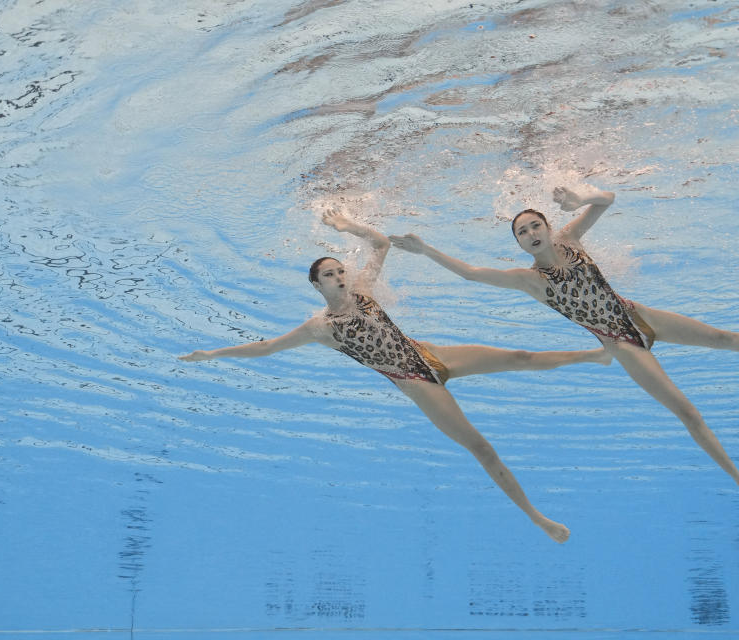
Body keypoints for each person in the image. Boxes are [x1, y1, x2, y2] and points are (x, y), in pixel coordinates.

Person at [390, 184, 739, 514]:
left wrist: (580, 197)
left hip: (638, 313)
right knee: (685, 410)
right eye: (522, 231)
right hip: (620, 342)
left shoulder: (571, 238)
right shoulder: (527, 280)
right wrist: (426, 249)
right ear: (519, 244)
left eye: (535, 224)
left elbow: (607, 200)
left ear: (548, 227)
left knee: (724, 338)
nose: (530, 233)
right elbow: (470, 273)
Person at [179, 209, 613, 543]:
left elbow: (380, 244)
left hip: (429, 352)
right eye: (329, 274)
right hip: (416, 382)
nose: (340, 275)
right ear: (317, 286)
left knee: (519, 356)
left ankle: (594, 356)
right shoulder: (319, 328)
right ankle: (538, 518)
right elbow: (266, 347)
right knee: (482, 447)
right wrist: (214, 354)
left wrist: (348, 224)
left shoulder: (364, 290)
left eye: (339, 269)